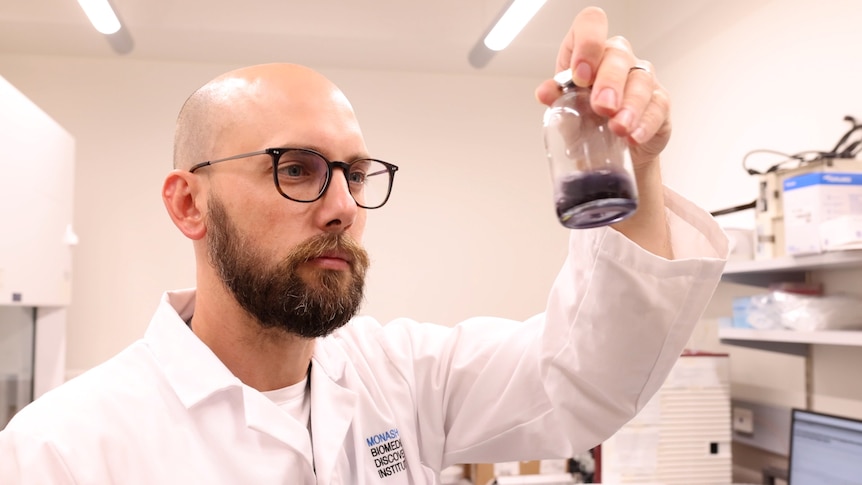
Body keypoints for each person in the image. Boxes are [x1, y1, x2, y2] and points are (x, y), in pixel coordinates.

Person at [0, 6, 728, 484]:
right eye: (297, 169)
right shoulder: (62, 450)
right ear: (190, 203)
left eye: (353, 174)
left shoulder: (401, 376)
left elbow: (586, 378)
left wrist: (635, 163)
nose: (343, 207)